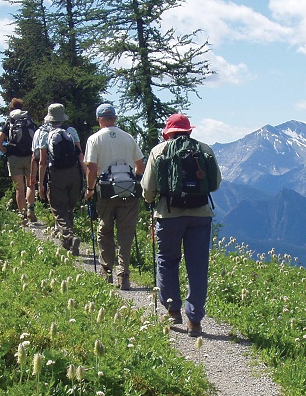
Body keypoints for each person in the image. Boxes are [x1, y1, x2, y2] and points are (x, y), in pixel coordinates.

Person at [141, 113, 221, 337]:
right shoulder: (204, 149)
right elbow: (214, 184)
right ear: (189, 130)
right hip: (200, 214)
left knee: (167, 261)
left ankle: (172, 309)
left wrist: (151, 201)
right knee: (197, 266)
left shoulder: (159, 151)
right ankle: (194, 321)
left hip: (168, 214)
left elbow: (148, 188)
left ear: (168, 132)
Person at [83, 103, 145, 290]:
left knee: (105, 229)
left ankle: (106, 269)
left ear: (99, 119)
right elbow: (140, 165)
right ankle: (123, 274)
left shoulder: (94, 139)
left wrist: (90, 189)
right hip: (128, 190)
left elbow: (92, 167)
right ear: (115, 118)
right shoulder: (128, 138)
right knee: (126, 232)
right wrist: (134, 181)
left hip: (105, 190)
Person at [36, 103, 84, 254]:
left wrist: (40, 183)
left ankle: (70, 235)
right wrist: (88, 178)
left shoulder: (45, 134)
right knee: (69, 207)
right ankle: (68, 242)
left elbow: (42, 161)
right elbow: (80, 154)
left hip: (56, 173)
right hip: (74, 172)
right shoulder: (71, 131)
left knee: (58, 209)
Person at [0, 98, 38, 226]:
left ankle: (23, 217)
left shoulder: (10, 121)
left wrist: (7, 153)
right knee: (31, 184)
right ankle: (31, 209)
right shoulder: (28, 120)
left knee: (19, 189)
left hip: (14, 157)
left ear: (11, 108)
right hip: (30, 157)